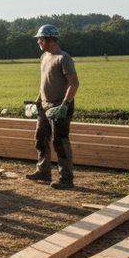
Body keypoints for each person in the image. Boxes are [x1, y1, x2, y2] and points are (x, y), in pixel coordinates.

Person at [27, 24, 80, 189]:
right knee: (40, 139)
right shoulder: (44, 57)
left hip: (59, 106)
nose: (38, 42)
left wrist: (65, 105)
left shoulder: (63, 58)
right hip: (44, 106)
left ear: (48, 40)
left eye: (40, 39)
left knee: (60, 142)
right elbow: (44, 83)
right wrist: (37, 102)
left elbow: (74, 83)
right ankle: (43, 171)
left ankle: (66, 179)